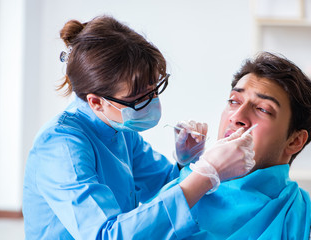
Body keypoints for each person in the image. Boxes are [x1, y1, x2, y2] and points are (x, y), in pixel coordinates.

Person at [22, 15, 256, 239]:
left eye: (154, 89)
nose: (152, 102)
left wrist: (186, 163)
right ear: (96, 101)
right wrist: (207, 173)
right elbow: (106, 235)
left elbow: (164, 185)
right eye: (138, 98)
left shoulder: (120, 131)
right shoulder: (62, 145)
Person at [161, 52, 311, 239]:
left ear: (294, 141)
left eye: (263, 109)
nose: (237, 117)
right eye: (234, 101)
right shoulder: (176, 193)